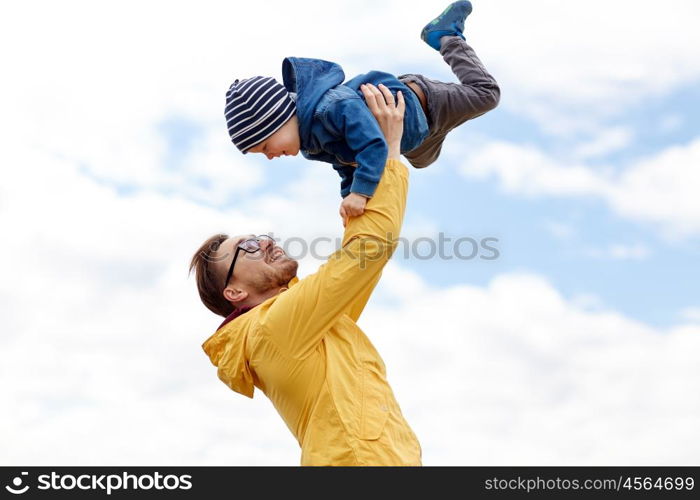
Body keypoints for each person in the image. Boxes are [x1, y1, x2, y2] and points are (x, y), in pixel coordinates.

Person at [190, 83, 421, 466]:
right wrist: (389, 152)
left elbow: (360, 258)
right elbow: (368, 251)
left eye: (261, 237)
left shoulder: (312, 324)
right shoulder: (270, 330)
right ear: (233, 293)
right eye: (246, 248)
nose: (265, 243)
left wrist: (359, 176)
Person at [224, 0, 499, 224]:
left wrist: (360, 193)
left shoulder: (332, 107)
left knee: (487, 95)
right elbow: (345, 166)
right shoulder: (311, 146)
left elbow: (371, 145)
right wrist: (350, 200)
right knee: (423, 161)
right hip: (417, 137)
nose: (270, 157)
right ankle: (447, 122)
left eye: (264, 146)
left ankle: (447, 36)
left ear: (279, 119)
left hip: (427, 103)